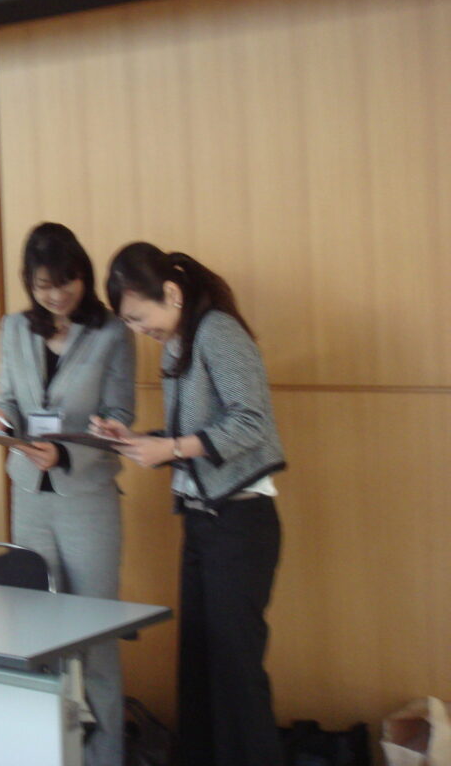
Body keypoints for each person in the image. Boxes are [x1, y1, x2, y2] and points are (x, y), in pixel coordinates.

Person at [91, 241, 286, 766]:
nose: (139, 330)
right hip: (204, 522)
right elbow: (194, 435)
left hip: (240, 522)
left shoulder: (218, 331)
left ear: (172, 294)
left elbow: (251, 423)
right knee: (200, 670)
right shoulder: (180, 342)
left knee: (236, 676)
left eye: (139, 317)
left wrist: (171, 449)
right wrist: (137, 439)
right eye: (129, 323)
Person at [0, 222, 135, 765]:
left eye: (66, 282)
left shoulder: (112, 332)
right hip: (29, 495)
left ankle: (105, 755)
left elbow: (119, 416)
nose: (56, 295)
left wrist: (66, 454)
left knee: (96, 638)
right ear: (30, 284)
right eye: (44, 285)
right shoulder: (14, 328)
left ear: (82, 276)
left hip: (87, 498)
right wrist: (2, 422)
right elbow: (7, 396)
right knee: (37, 632)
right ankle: (48, 752)